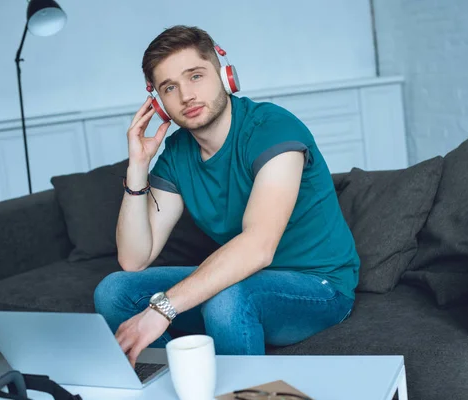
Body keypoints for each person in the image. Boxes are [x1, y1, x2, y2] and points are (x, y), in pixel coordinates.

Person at [94, 25, 361, 367]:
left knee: (228, 299)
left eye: (195, 76)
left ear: (225, 74)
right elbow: (135, 260)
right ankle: (175, 385)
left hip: (320, 286)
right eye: (170, 87)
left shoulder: (271, 127)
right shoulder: (177, 153)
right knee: (115, 291)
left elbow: (258, 247)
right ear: (159, 104)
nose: (186, 95)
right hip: (243, 279)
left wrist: (162, 309)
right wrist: (137, 167)